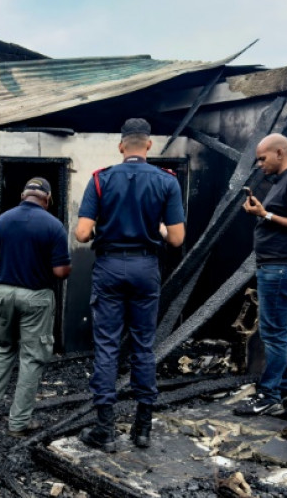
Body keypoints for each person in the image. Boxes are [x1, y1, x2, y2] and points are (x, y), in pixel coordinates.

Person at [75, 118, 185, 451]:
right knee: (143, 345)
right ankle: (142, 429)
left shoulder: (101, 179)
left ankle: (105, 431)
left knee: (107, 346)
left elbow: (82, 234)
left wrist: (105, 227)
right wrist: (158, 230)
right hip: (145, 268)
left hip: (109, 266)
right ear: (149, 145)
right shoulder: (167, 181)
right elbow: (176, 239)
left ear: (121, 146)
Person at [0, 177, 72, 437]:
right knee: (31, 358)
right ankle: (18, 423)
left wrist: (13, 263)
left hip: (5, 293)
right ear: (47, 199)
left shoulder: (3, 220)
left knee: (5, 348)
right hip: (36, 297)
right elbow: (61, 271)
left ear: (23, 195)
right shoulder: (54, 226)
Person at [234, 133, 287, 417]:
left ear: (280, 153)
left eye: (262, 158)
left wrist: (265, 215)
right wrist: (262, 212)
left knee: (273, 333)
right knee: (283, 332)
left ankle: (268, 395)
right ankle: (285, 392)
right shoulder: (283, 182)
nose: (259, 164)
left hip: (284, 268)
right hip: (279, 266)